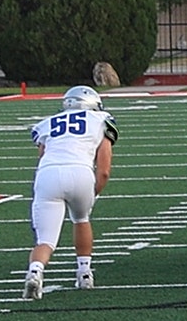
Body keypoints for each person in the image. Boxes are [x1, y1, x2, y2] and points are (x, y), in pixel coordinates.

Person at [22, 86, 117, 299]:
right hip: (81, 172)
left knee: (45, 239)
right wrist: (94, 192)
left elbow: (42, 155)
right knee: (81, 219)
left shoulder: (48, 123)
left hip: (48, 175)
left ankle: (35, 271)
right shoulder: (101, 119)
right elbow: (103, 170)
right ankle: (84, 273)